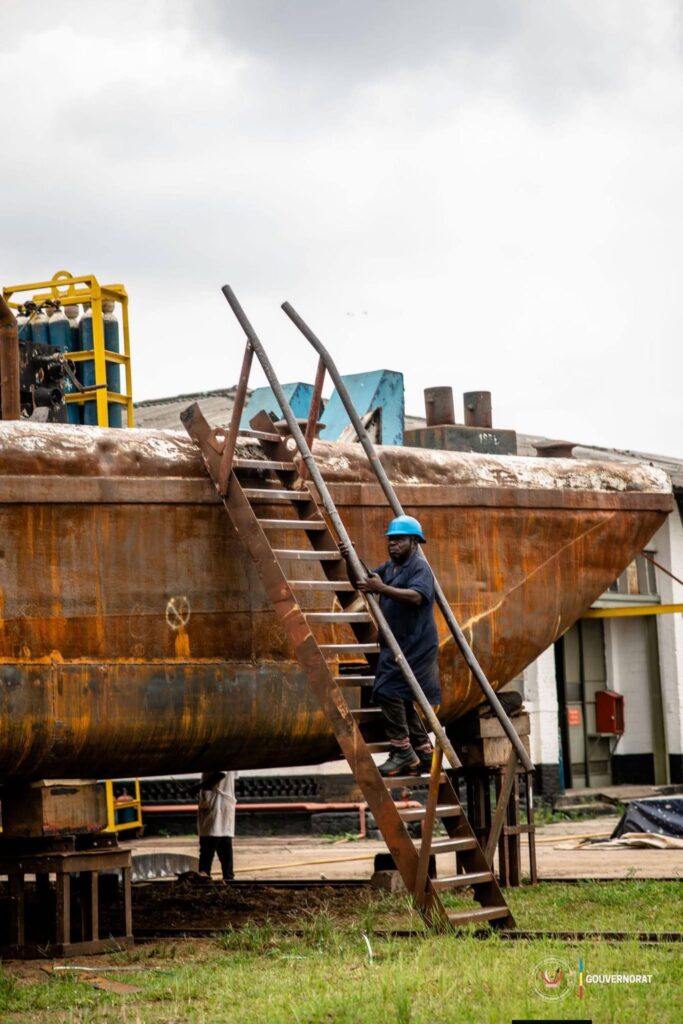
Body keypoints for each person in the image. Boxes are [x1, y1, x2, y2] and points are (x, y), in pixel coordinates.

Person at [340, 515, 441, 777]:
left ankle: (402, 750)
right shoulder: (391, 568)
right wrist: (349, 559)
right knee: (402, 696)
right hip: (396, 642)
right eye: (391, 540)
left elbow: (417, 596)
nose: (393, 544)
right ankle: (424, 752)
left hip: (416, 644)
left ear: (414, 542)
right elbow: (363, 583)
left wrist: (382, 588)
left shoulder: (419, 568)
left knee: (386, 690)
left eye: (399, 540)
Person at [196, 771, 236, 881]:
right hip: (217, 803)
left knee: (208, 846)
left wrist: (197, 787)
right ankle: (228, 878)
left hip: (217, 803)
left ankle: (204, 878)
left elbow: (220, 774)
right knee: (224, 843)